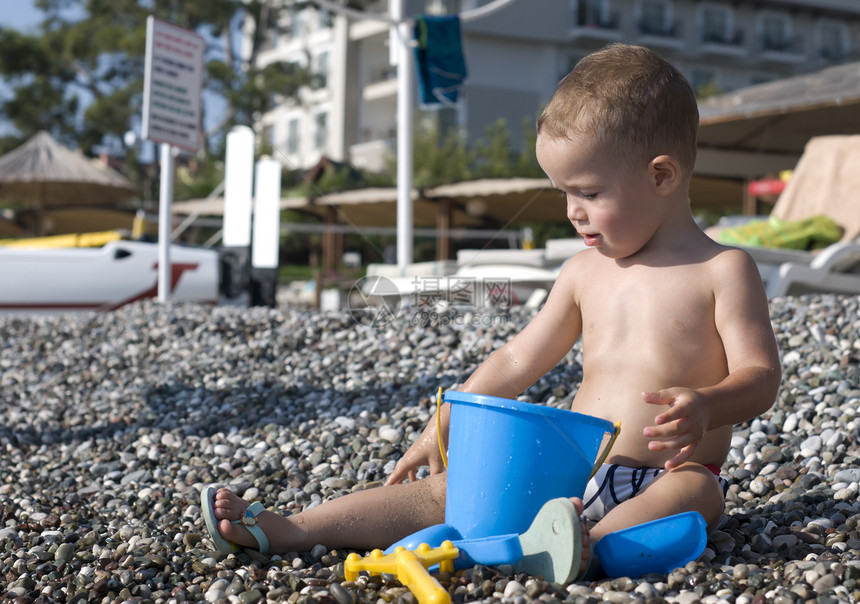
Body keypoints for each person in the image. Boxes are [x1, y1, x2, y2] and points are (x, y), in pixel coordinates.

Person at [202, 43, 781, 580]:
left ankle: (583, 546)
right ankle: (294, 529)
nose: (574, 213)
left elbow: (760, 378)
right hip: (572, 473)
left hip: (669, 473)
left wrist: (707, 406)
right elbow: (517, 357)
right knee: (447, 489)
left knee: (697, 498)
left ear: (660, 175)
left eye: (589, 193)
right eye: (563, 194)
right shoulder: (584, 273)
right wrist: (443, 421)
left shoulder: (721, 270)